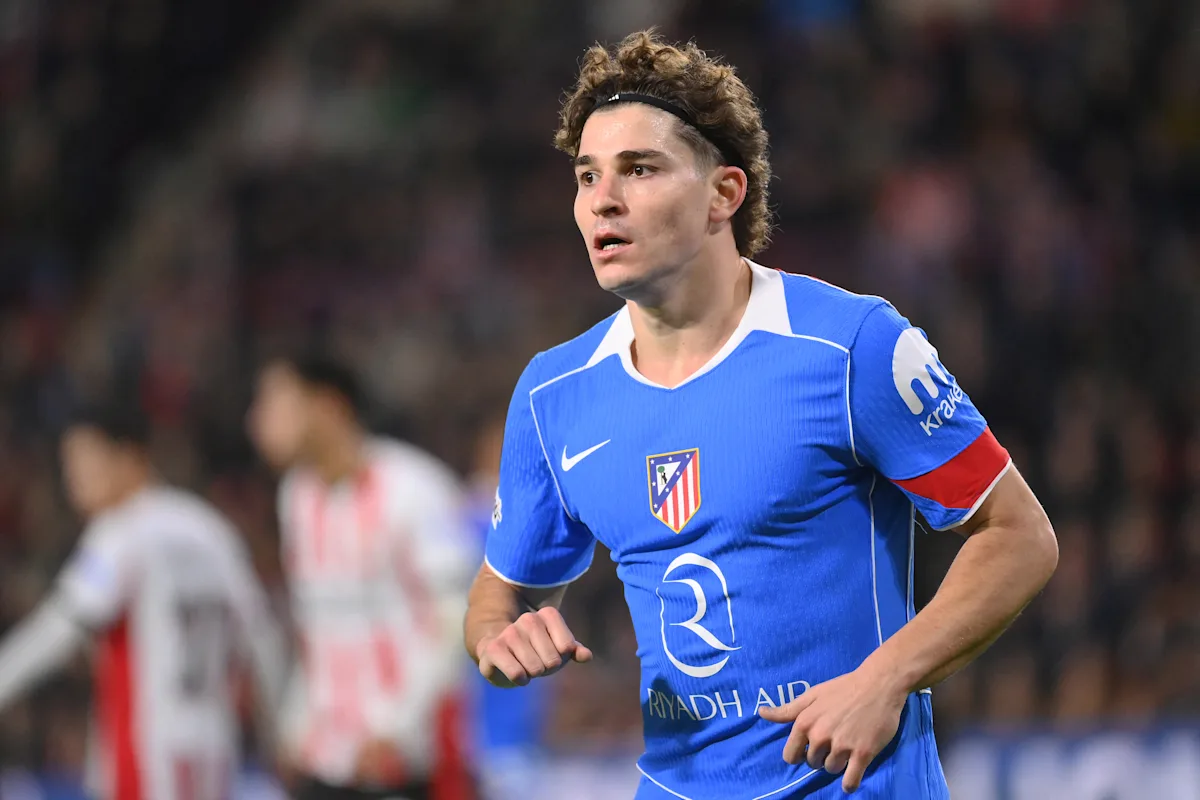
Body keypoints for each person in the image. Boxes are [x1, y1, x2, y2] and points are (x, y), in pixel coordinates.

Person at [463, 30, 1059, 800]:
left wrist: (886, 678)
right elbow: (500, 591)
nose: (603, 199)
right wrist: (497, 636)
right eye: (587, 175)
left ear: (724, 194)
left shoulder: (850, 346)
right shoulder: (554, 395)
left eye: (639, 169)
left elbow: (1018, 536)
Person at [0, 401, 287, 800]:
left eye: (84, 461)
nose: (73, 479)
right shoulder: (210, 528)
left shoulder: (121, 533)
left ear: (129, 457)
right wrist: (280, 732)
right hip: (212, 751)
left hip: (145, 756)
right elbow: (263, 636)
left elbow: (58, 628)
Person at [247, 354, 475, 800]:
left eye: (274, 402)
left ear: (328, 406)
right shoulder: (296, 497)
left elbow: (454, 621)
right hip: (324, 758)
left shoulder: (416, 488)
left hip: (404, 760)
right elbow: (317, 624)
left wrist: (398, 727)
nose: (257, 421)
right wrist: (296, 722)